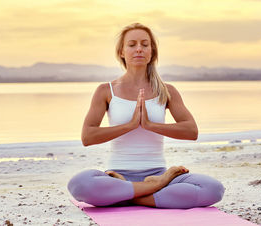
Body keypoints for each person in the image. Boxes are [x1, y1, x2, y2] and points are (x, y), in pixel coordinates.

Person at [67, 23, 224, 208]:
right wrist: (130, 125)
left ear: (152, 52)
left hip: (156, 173)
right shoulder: (105, 90)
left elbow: (191, 131)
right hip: (118, 176)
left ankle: (130, 194)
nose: (139, 49)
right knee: (79, 184)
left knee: (213, 189)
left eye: (145, 44)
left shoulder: (167, 91)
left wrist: (149, 125)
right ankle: (152, 190)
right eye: (132, 44)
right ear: (121, 52)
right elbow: (87, 137)